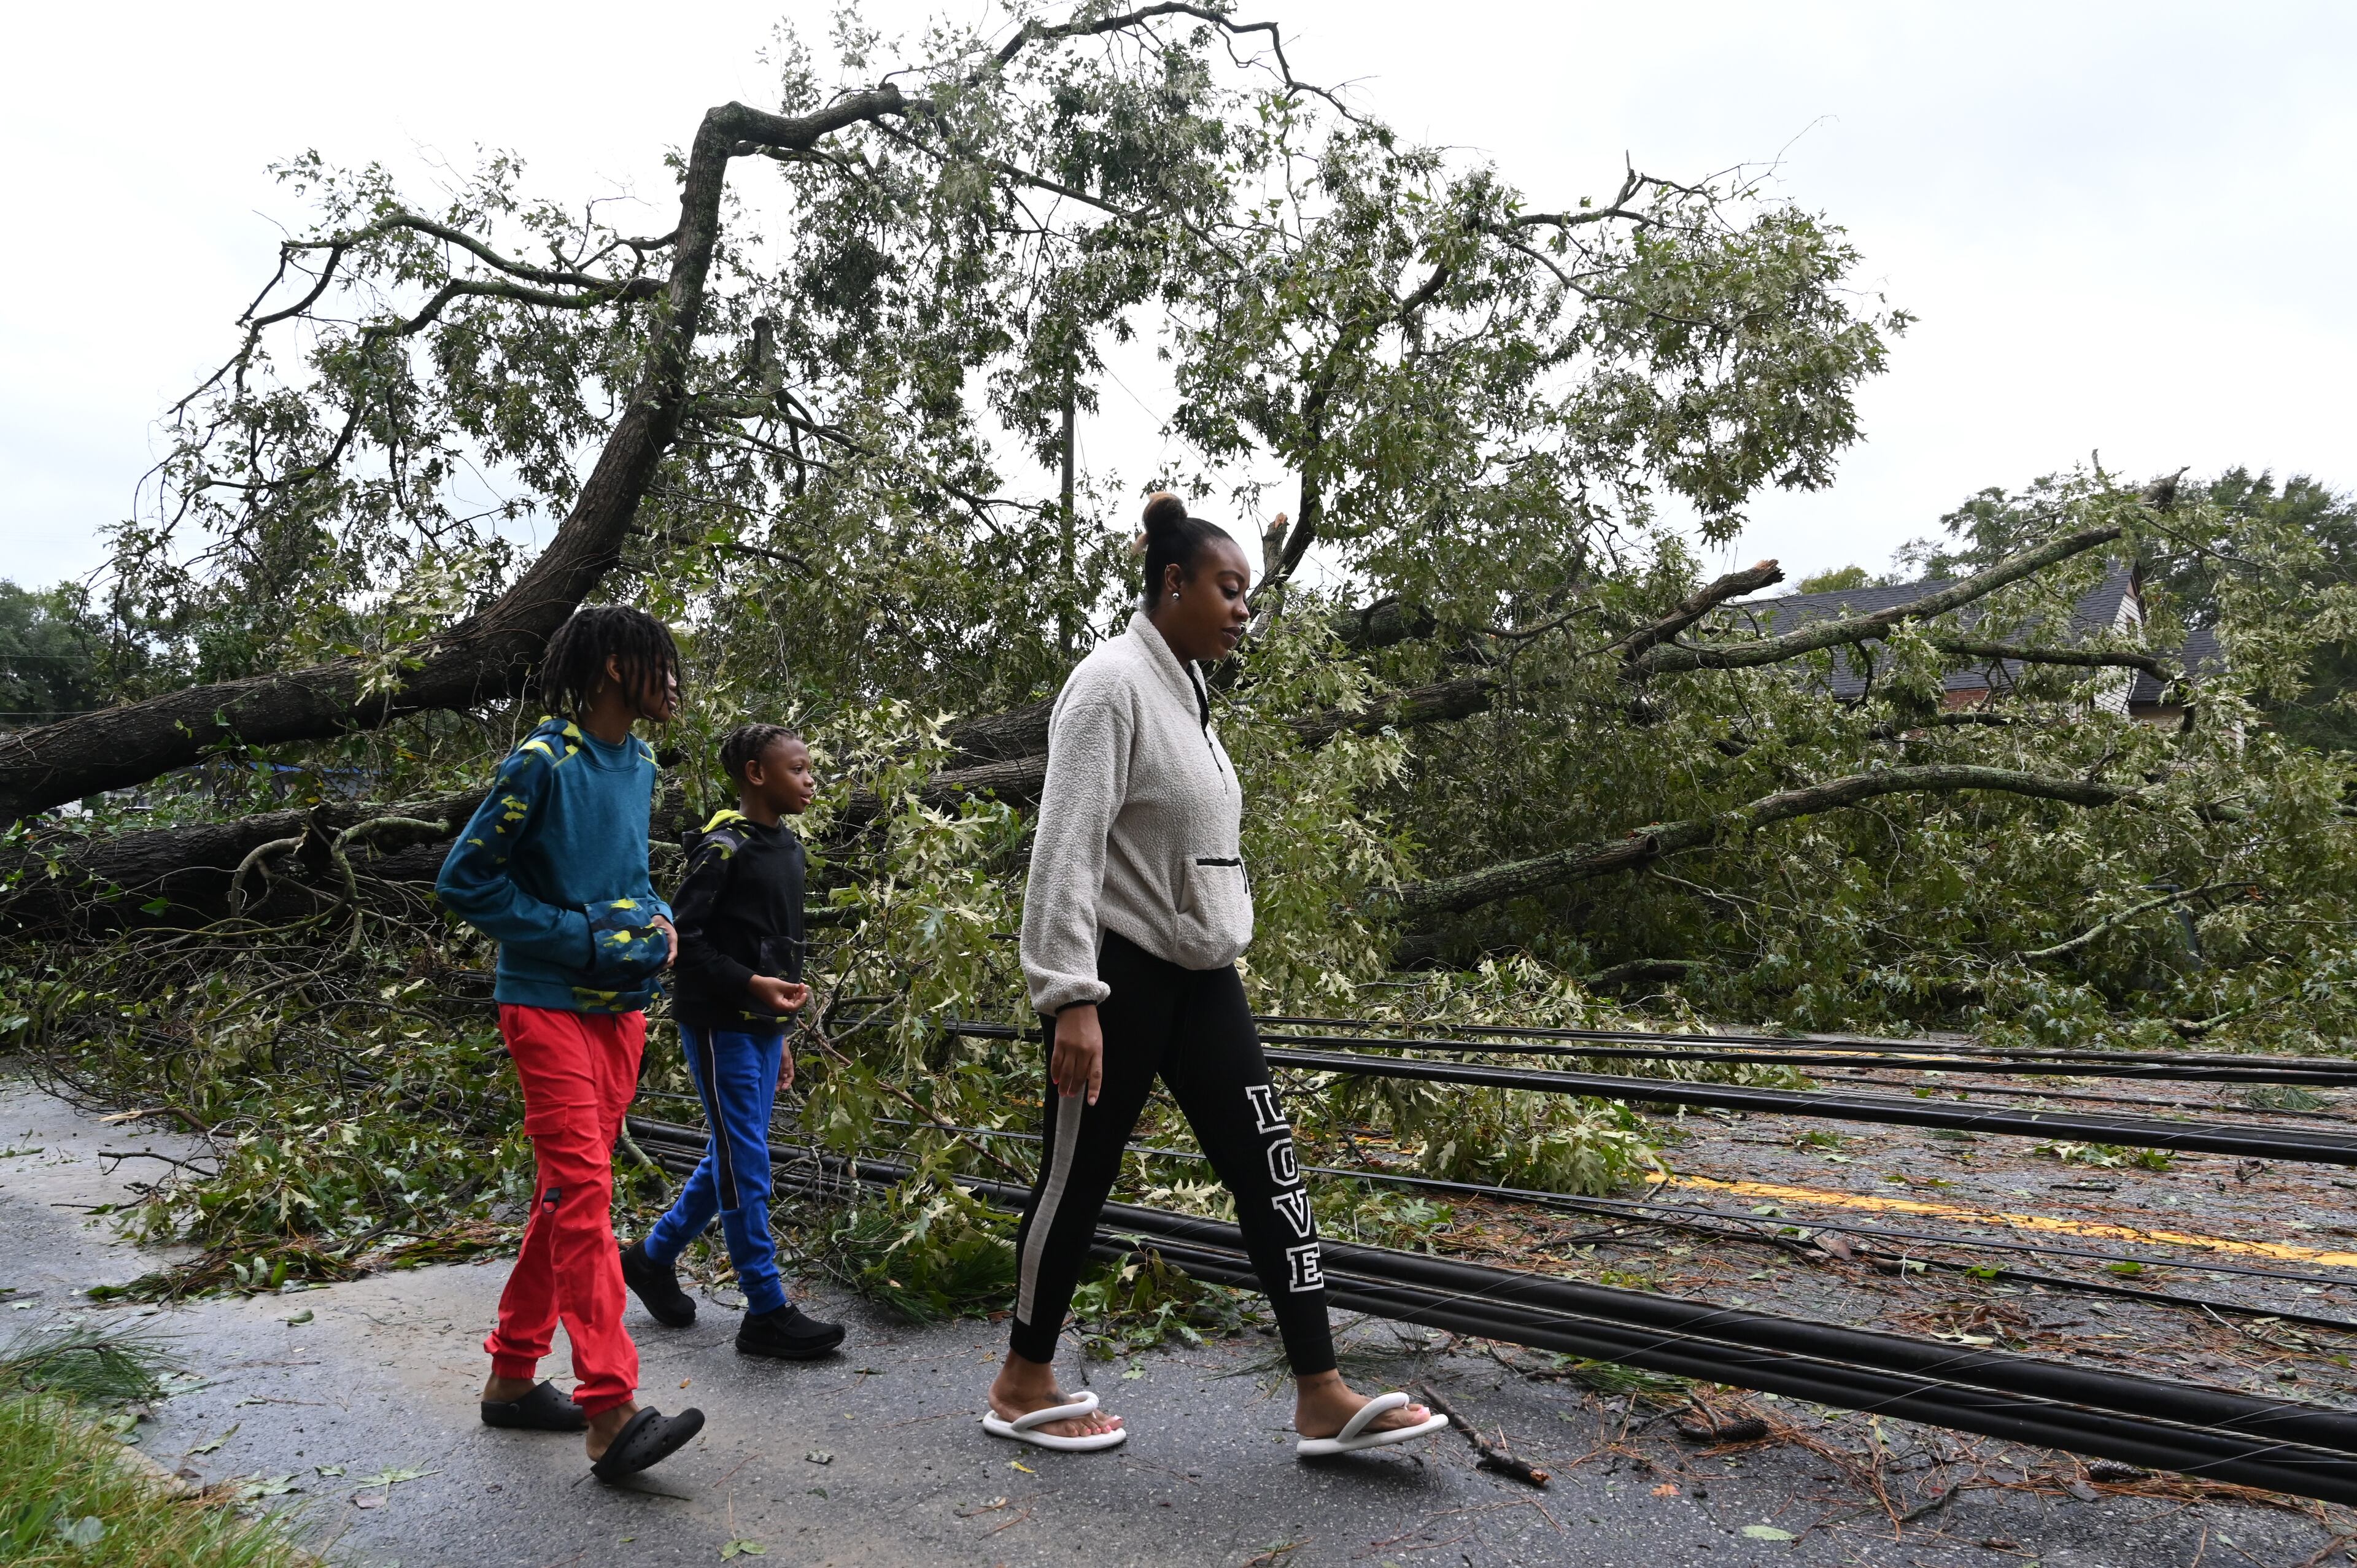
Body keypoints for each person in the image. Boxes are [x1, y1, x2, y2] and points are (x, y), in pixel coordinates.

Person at [984, 493, 1449, 1459]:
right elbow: (1064, 848)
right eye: (1229, 589)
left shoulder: (1188, 689)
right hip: (1115, 978)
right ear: (1173, 584)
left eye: (1248, 593)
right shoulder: (1112, 684)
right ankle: (1022, 1377)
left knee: (1268, 1166)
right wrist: (1070, 993)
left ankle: (1320, 1390)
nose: (1244, 608)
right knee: (1078, 1177)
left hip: (1204, 978)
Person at [436, 604, 705, 1484]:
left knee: (565, 1191)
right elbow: (465, 879)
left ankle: (514, 1375)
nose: (673, 682)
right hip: (546, 1003)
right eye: (657, 664)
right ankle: (611, 1407)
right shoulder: (543, 761)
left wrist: (657, 917)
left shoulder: (642, 764)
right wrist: (578, 933)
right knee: (584, 1190)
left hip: (619, 1009)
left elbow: (627, 874)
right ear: (613, 669)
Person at [619, 723, 846, 1359]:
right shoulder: (723, 849)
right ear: (756, 774)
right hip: (719, 1025)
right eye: (798, 768)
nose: (809, 780)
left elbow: (783, 951)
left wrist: (785, 1029)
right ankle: (765, 1308)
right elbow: (683, 943)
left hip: (762, 1025)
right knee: (746, 1157)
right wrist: (749, 986)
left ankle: (650, 1257)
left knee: (733, 1149)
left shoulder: (788, 850)